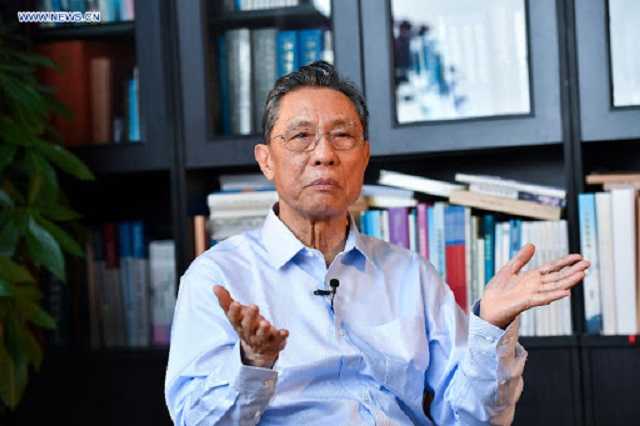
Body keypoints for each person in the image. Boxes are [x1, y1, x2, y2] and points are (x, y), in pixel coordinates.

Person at [164, 61, 589, 425]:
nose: (324, 154)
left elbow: (474, 418)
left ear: (364, 156)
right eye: (300, 137)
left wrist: (491, 325)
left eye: (342, 136)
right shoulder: (217, 277)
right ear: (266, 160)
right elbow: (195, 420)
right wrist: (253, 363)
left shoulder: (410, 274)